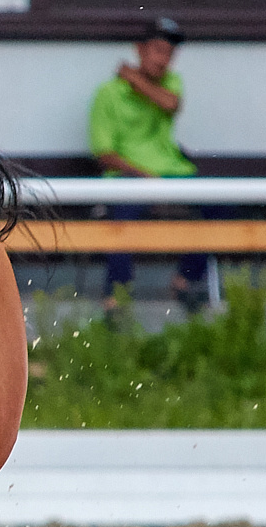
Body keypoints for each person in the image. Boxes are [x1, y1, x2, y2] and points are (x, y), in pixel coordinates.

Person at [87, 17, 210, 312]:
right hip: (128, 176)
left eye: (169, 53)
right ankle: (116, 296)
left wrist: (134, 79)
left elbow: (171, 104)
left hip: (173, 173)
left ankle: (185, 281)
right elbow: (104, 154)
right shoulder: (108, 94)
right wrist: (144, 177)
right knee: (123, 211)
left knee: (218, 206)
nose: (163, 60)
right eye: (157, 50)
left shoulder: (170, 82)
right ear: (139, 50)